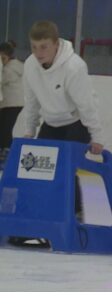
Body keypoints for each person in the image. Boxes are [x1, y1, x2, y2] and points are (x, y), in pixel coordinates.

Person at [11, 20, 106, 248]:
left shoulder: (74, 67)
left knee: (64, 171)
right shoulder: (31, 67)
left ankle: (75, 218)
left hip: (77, 122)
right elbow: (32, 102)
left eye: (44, 47)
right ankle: (36, 222)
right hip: (51, 122)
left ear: (56, 44)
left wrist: (97, 137)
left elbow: (86, 106)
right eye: (34, 47)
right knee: (34, 171)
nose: (38, 52)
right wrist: (29, 131)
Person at [0, 40, 24, 169]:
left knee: (5, 128)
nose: (1, 60)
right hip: (7, 104)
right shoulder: (7, 67)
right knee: (3, 127)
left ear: (8, 57)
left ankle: (7, 152)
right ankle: (4, 150)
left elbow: (2, 80)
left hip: (13, 104)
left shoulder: (11, 68)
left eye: (3, 58)